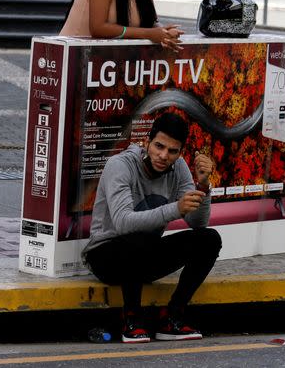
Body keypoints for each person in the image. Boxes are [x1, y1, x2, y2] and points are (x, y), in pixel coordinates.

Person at [82, 113, 222, 343]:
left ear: (180, 152)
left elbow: (198, 223)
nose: (163, 156)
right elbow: (123, 222)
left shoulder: (179, 169)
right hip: (106, 256)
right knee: (138, 237)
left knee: (209, 239)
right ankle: (132, 320)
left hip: (143, 255)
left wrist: (203, 186)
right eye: (159, 146)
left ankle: (172, 317)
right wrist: (175, 209)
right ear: (147, 142)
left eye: (172, 151)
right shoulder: (120, 165)